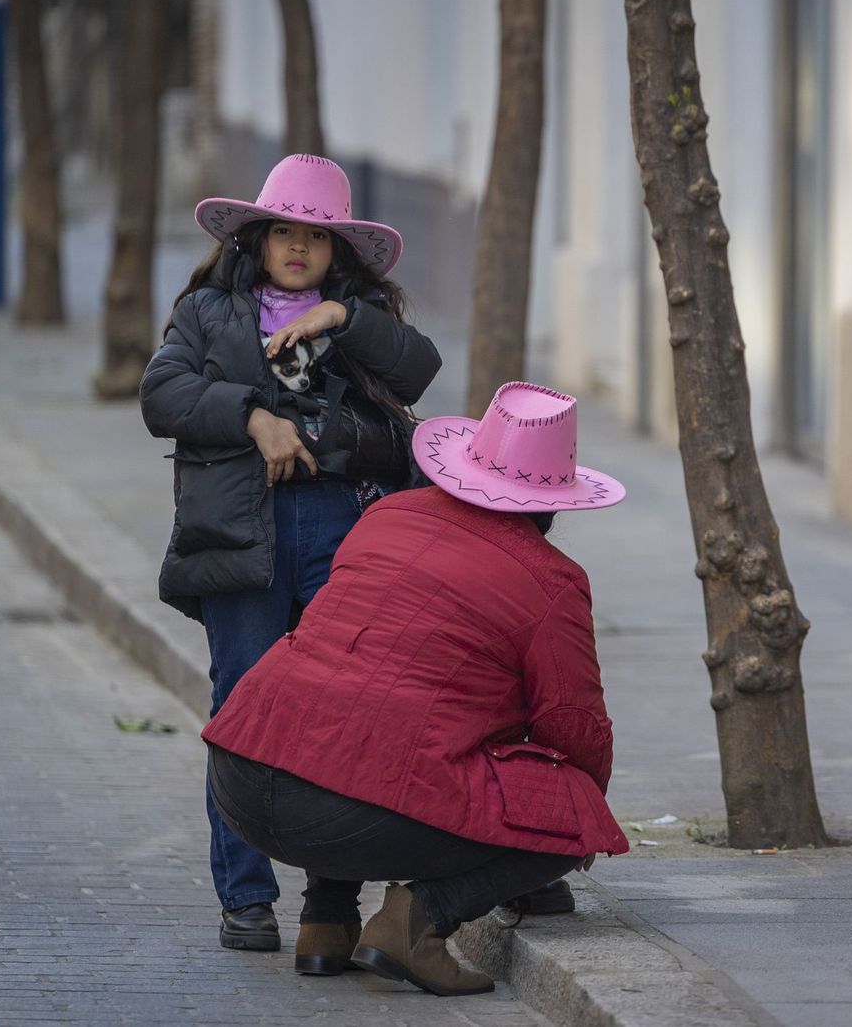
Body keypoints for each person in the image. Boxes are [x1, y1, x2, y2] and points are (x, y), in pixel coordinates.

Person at [202, 382, 629, 996]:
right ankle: (416, 921)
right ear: (553, 503)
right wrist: (572, 815)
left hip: (239, 772)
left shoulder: (386, 515)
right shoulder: (553, 579)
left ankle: (325, 923)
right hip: (341, 812)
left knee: (348, 723)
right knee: (578, 811)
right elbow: (573, 724)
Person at [140, 154, 441, 954]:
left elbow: (420, 370)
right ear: (258, 239)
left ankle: (328, 908)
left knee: (344, 712)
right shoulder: (209, 312)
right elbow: (161, 393)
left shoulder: (361, 319)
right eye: (283, 231)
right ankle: (245, 898)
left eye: (317, 234)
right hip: (243, 532)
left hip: (345, 529)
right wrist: (253, 417)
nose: (298, 246)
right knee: (243, 707)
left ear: (337, 249)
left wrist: (343, 319)